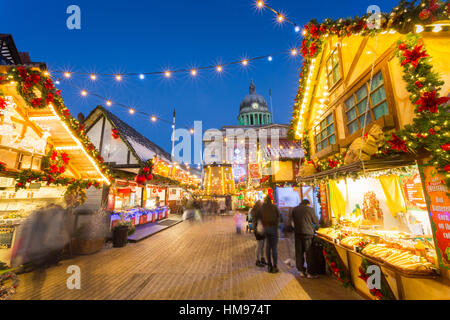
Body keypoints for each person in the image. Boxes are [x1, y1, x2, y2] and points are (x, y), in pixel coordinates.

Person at [292, 199, 319, 279]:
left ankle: (301, 271)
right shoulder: (310, 209)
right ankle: (310, 273)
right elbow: (315, 221)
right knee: (309, 253)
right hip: (308, 234)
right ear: (307, 204)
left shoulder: (295, 209)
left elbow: (293, 221)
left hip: (297, 234)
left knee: (299, 252)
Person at [260, 196, 281, 273]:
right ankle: (275, 266)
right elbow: (279, 217)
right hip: (273, 228)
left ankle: (269, 265)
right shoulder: (274, 207)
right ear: (271, 200)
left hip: (266, 228)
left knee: (268, 247)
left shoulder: (262, 208)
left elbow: (259, 217)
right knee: (274, 247)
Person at [252, 201, 266, 267]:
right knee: (259, 245)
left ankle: (262, 258)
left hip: (261, 229)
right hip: (258, 230)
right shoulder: (256, 212)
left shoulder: (258, 211)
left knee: (262, 245)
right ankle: (257, 260)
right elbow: (256, 222)